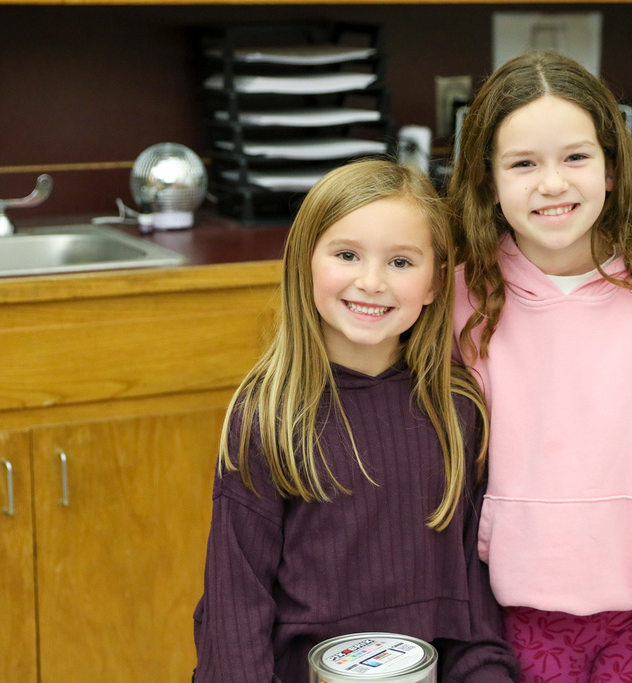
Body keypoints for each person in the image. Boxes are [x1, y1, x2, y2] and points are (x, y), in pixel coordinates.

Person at [447, 51, 632, 683]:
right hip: (500, 616)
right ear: (488, 179)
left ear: (611, 168)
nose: (552, 183)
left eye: (575, 157)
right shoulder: (458, 299)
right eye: (523, 163)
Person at [193, 158, 520, 683]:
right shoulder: (267, 416)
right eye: (347, 255)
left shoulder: (458, 411)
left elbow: (474, 619)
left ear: (437, 282)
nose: (371, 282)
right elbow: (234, 612)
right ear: (304, 262)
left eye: (400, 262)